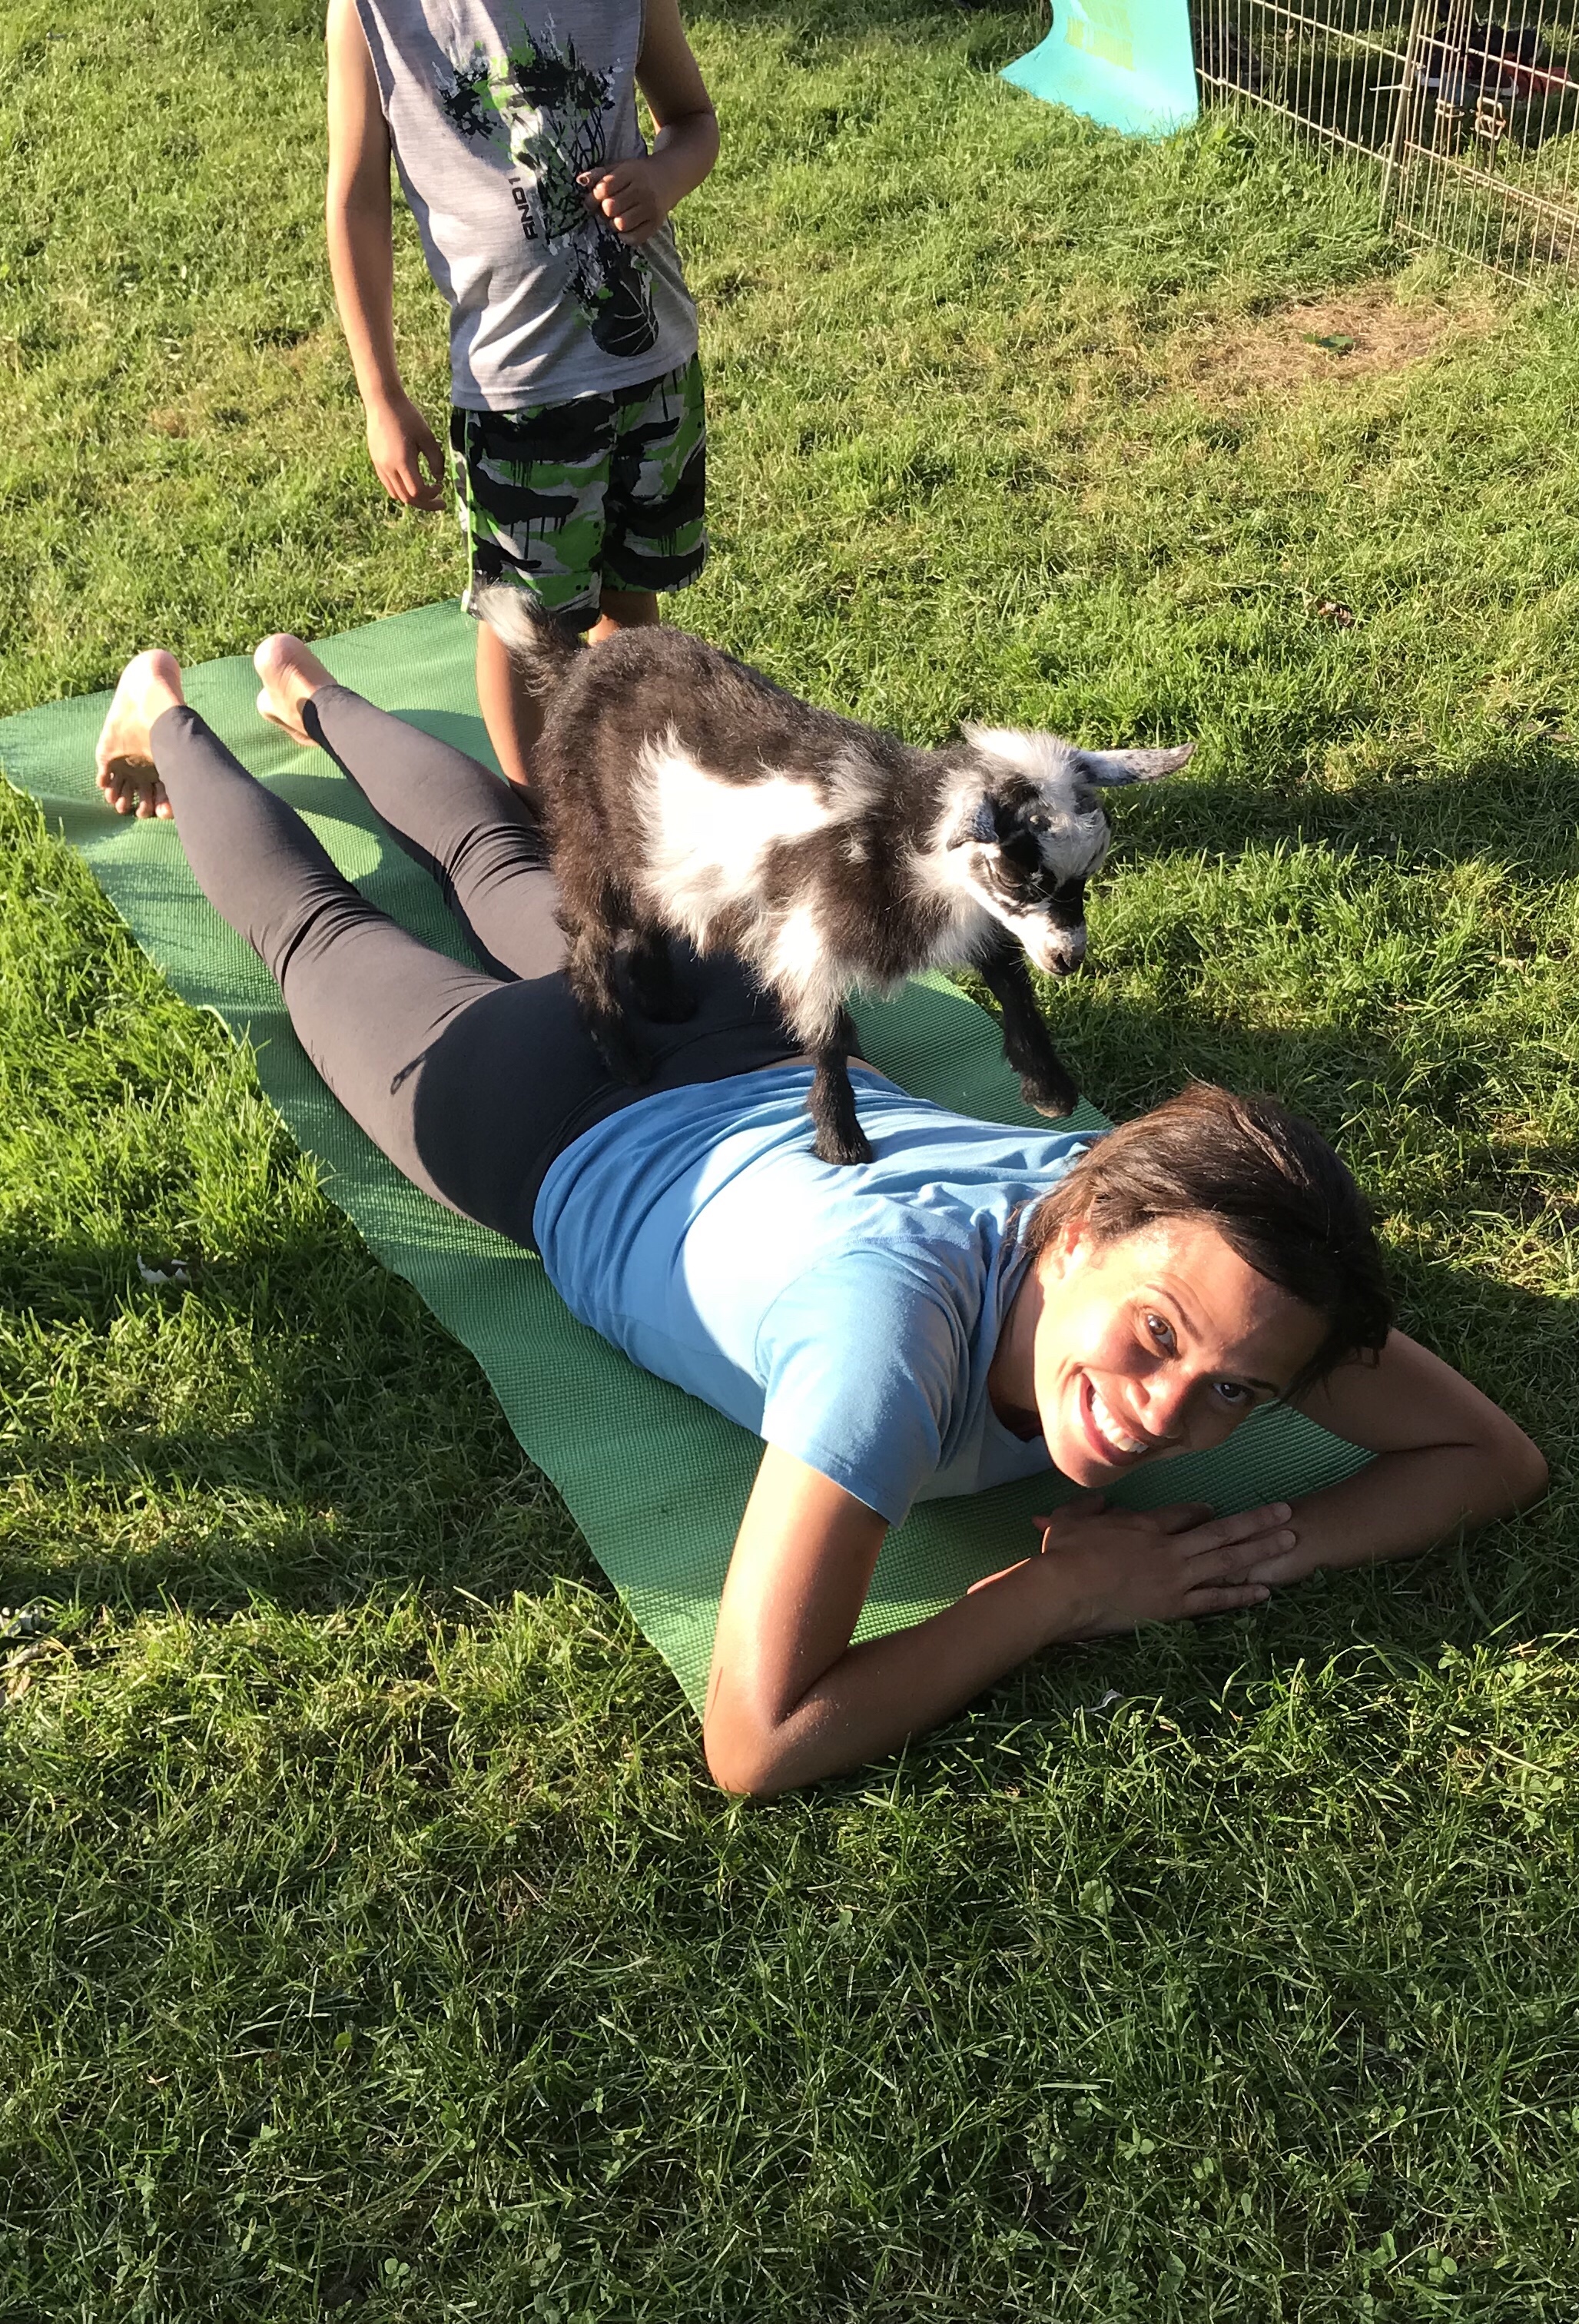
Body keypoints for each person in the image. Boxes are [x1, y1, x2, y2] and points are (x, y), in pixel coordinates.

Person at [95, 642, 1549, 1796]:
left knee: (500, 861)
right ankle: (164, 709)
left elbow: (1492, 1457)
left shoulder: (1212, 1254)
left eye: (1236, 1392)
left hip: (742, 1025)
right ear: (1076, 1226)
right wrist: (1062, 1593)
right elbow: (758, 1736)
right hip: (540, 1116)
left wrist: (1263, 1549)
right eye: (1158, 1338)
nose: (1167, 1412)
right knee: (317, 935)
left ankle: (309, 688)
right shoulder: (887, 1337)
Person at [325, 0, 717, 797]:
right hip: (516, 391)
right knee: (524, 624)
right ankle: (534, 813)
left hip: (653, 364)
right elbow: (356, 200)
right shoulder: (372, 15)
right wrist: (380, 395)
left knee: (629, 593)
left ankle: (623, 794)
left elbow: (693, 121)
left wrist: (661, 177)